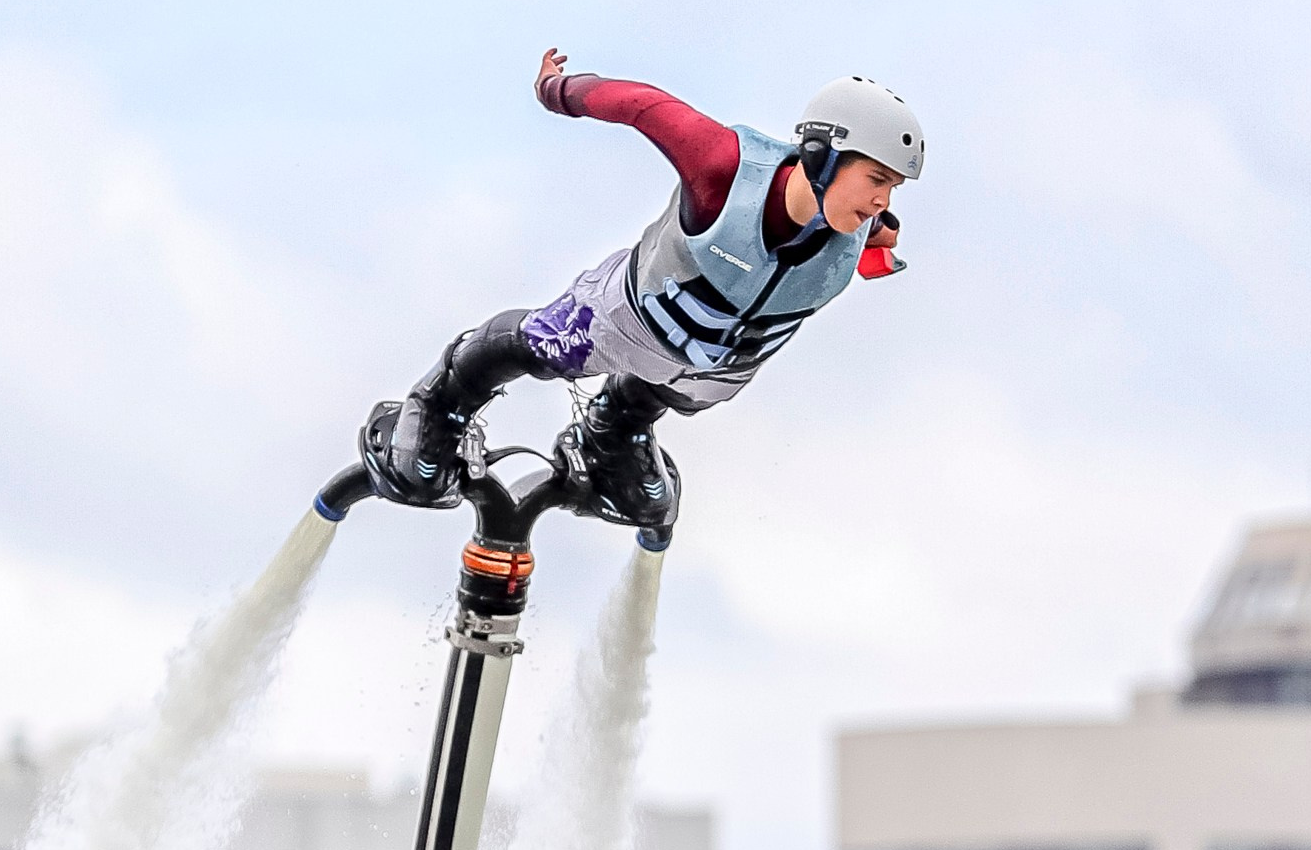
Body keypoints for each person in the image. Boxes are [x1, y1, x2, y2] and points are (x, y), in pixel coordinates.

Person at [371, 52, 923, 544]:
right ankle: (441, 400)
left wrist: (875, 252)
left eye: (893, 186)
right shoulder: (723, 167)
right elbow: (642, 105)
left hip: (711, 369)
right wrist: (556, 90)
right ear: (823, 156)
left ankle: (614, 431)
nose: (883, 198)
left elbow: (849, 251)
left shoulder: (861, 229)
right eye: (877, 177)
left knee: (685, 395)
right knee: (547, 348)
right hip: (624, 321)